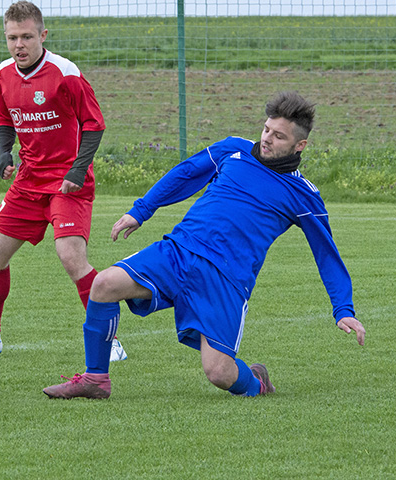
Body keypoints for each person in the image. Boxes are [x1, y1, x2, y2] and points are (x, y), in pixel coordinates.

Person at [43, 91, 366, 399]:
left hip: (224, 280)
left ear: (300, 145)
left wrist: (343, 309)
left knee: (220, 374)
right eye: (266, 129)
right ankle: (95, 379)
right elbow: (185, 175)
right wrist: (140, 211)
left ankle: (256, 383)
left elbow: (327, 255)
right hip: (179, 252)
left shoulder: (303, 195)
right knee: (104, 284)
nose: (267, 138)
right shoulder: (233, 150)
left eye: (279, 136)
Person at [0, 0, 127, 361]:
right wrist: (4, 153)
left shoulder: (65, 72)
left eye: (26, 37)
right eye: (12, 38)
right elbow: (4, 118)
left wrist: (78, 170)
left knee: (71, 257)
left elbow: (94, 124)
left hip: (67, 182)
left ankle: (108, 340)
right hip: (28, 180)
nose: (19, 45)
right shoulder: (3, 72)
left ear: (42, 35)